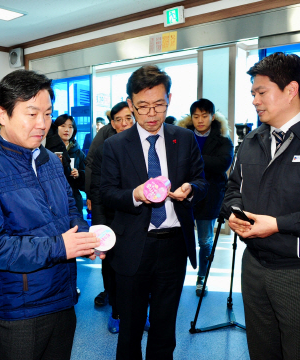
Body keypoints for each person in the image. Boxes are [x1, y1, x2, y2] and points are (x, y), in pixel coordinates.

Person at [0, 69, 102, 360]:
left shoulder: (49, 160)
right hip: (20, 307)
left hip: (62, 294)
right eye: (32, 114)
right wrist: (61, 246)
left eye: (48, 114)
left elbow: (69, 208)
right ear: (3, 114)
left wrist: (82, 235)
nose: (43, 124)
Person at [222, 52, 300, 360]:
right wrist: (235, 213)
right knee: (262, 352)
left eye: (261, 92)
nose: (254, 100)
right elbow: (233, 189)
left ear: (291, 90)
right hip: (255, 268)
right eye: (253, 93)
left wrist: (279, 224)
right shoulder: (251, 141)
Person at [101, 65, 207, 360]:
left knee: (164, 326)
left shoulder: (183, 139)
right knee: (131, 326)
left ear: (169, 99)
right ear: (130, 104)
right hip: (133, 244)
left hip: (173, 243)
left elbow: (202, 181)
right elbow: (106, 192)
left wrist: (191, 189)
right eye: (143, 106)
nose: (151, 114)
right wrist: (135, 195)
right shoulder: (115, 145)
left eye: (159, 105)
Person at [177, 99, 233, 296]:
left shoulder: (223, 139)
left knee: (205, 240)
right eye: (196, 116)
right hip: (183, 195)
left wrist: (193, 158)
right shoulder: (181, 136)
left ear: (212, 116)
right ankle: (177, 276)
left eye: (204, 115)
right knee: (180, 239)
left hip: (209, 196)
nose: (200, 120)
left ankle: (203, 277)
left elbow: (222, 164)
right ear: (191, 118)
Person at [90, 101, 134, 333]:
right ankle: (116, 312)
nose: (124, 123)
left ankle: (140, 312)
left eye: (129, 118)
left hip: (139, 221)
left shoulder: (147, 147)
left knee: (140, 271)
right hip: (111, 219)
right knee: (112, 269)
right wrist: (99, 229)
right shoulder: (104, 149)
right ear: (112, 124)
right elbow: (96, 192)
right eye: (118, 120)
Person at [55, 114, 86, 214]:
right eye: (63, 126)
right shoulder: (48, 150)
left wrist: (79, 175)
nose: (67, 130)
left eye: (70, 126)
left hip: (74, 200)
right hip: (54, 200)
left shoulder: (78, 153)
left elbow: (86, 180)